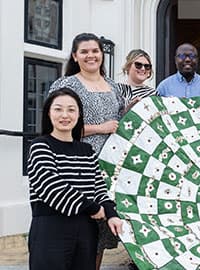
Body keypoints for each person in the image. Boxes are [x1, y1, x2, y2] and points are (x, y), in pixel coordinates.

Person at [49, 32, 126, 270]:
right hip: (77, 164)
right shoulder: (66, 84)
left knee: (99, 235)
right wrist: (100, 128)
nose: (90, 55)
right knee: (76, 228)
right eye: (84, 51)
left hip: (110, 168)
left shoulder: (113, 85)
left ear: (101, 54)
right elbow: (56, 124)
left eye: (95, 50)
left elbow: (122, 122)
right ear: (75, 56)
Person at [27, 88, 123, 270]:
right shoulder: (40, 146)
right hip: (50, 229)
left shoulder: (87, 151)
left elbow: (99, 188)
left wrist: (111, 214)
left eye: (71, 109)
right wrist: (92, 207)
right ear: (48, 113)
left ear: (79, 115)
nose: (65, 115)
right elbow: (51, 185)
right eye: (58, 109)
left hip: (86, 231)